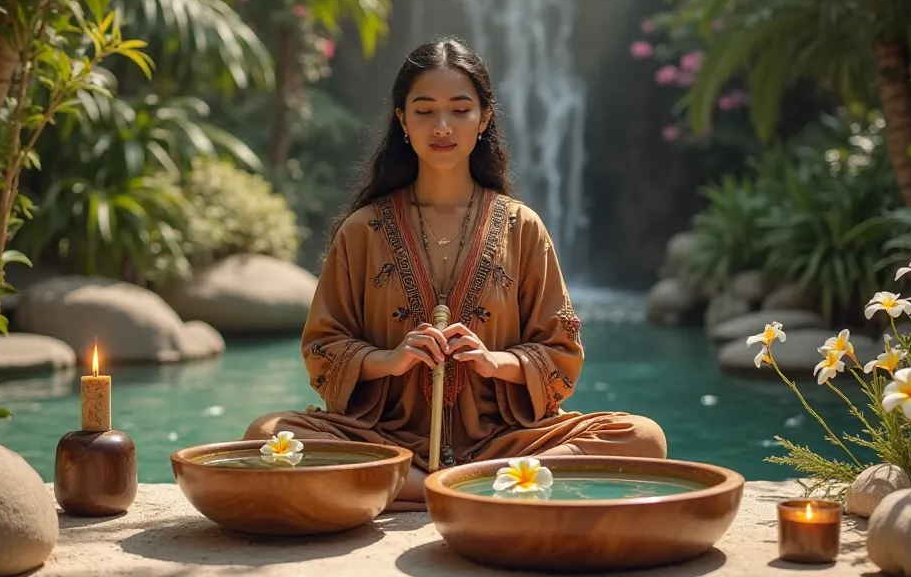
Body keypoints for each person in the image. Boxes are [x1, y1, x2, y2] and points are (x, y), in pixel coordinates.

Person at [244, 35, 667, 511]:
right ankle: (462, 489)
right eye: (424, 110)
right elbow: (323, 348)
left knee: (641, 438)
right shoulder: (362, 231)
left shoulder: (521, 227)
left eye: (460, 109)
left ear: (485, 117)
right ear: (402, 120)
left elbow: (561, 351)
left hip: (503, 443)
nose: (442, 126)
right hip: (384, 439)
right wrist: (390, 358)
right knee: (267, 436)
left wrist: (494, 362)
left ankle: (427, 486)